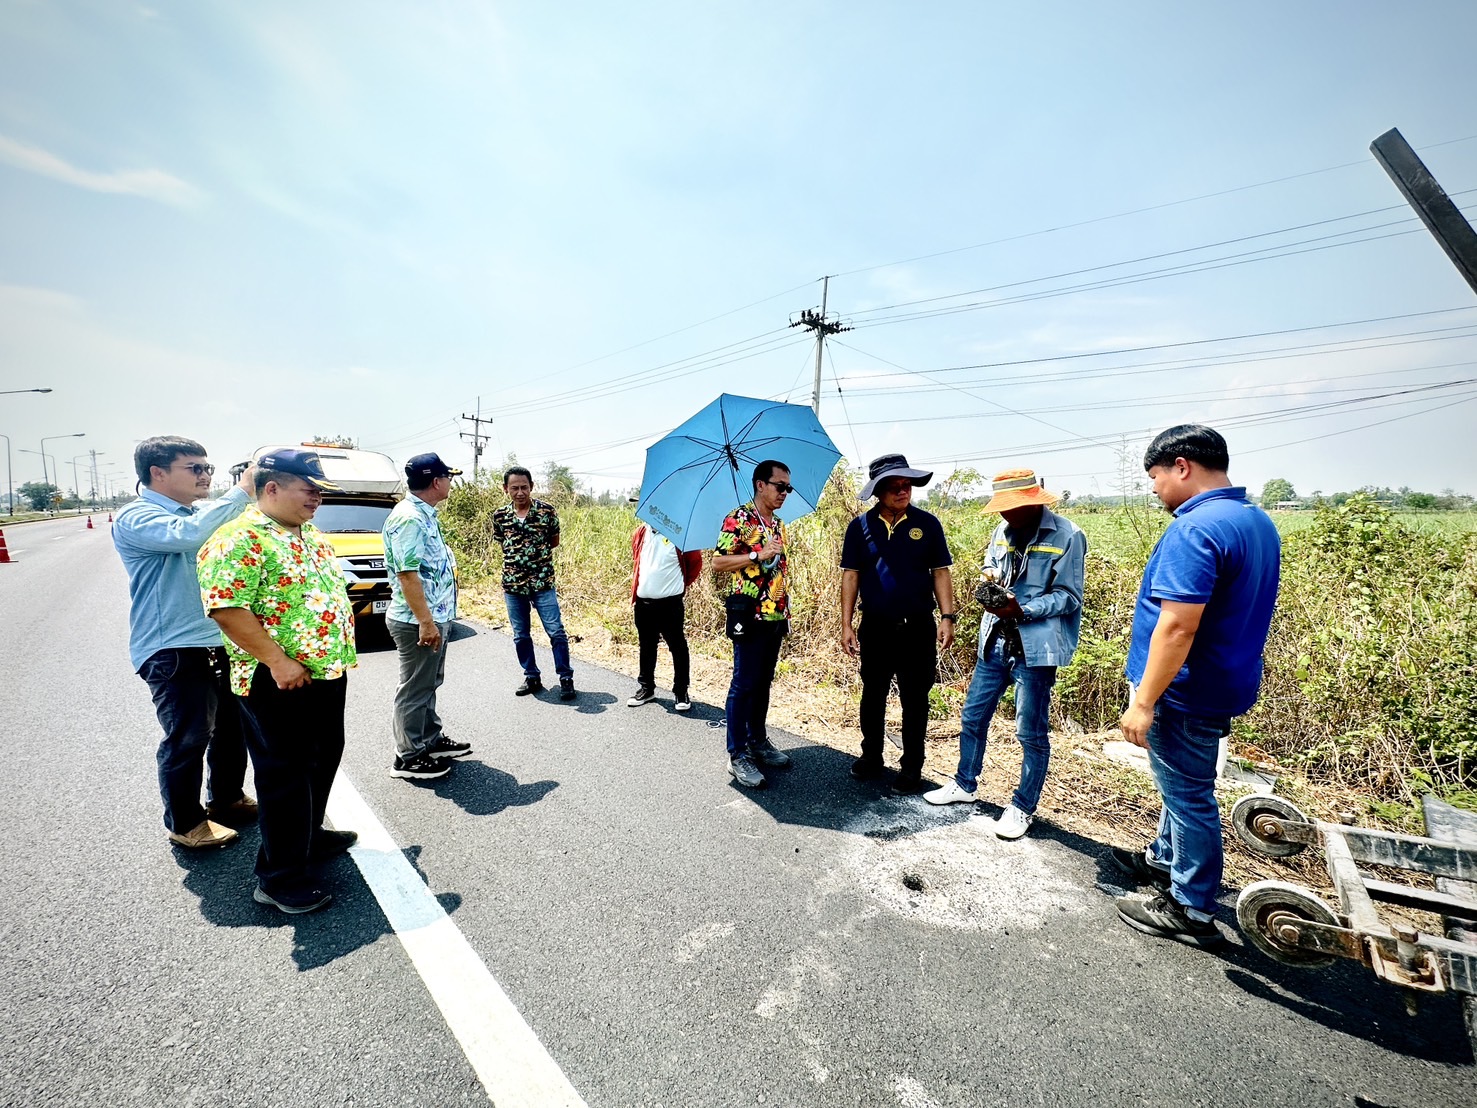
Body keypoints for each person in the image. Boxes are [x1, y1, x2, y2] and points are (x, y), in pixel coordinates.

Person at [1112, 424, 1280, 946]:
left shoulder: (1196, 529)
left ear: (1181, 466)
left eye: (1155, 477)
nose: (1155, 489)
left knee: (1188, 796)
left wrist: (1144, 701)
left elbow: (1177, 626)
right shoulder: (1255, 520)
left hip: (1183, 688)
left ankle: (1191, 907)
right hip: (1222, 678)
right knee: (1180, 783)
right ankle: (1165, 861)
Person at [198, 448, 359, 915]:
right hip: (278, 680)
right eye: (309, 490)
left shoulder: (309, 534)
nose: (317, 499)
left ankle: (307, 838)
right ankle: (279, 877)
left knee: (321, 759)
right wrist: (278, 661)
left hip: (323, 672)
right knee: (285, 775)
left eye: (320, 492)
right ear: (272, 488)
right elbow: (227, 608)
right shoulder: (239, 537)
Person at [924, 468, 1086, 840]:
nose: (1005, 514)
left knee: (1030, 732)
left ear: (1034, 503)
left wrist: (1023, 609)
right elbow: (990, 564)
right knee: (973, 716)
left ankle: (1022, 807)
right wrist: (991, 578)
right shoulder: (1002, 529)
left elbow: (1069, 596)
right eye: (1002, 508)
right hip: (994, 640)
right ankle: (965, 784)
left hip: (1035, 648)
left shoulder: (1068, 535)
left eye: (1013, 507)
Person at [113, 436, 257, 851]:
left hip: (216, 640)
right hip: (172, 647)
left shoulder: (199, 513)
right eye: (194, 468)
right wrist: (242, 491)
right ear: (157, 473)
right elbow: (187, 536)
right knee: (189, 736)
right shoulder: (137, 516)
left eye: (207, 467)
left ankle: (226, 799)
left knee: (231, 730)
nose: (205, 475)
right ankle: (186, 822)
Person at [840, 454, 956, 794]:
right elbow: (851, 575)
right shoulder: (860, 527)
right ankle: (871, 756)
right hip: (875, 627)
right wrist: (846, 624)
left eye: (907, 485)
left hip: (917, 627)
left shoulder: (928, 524)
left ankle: (911, 767)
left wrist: (947, 617)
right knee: (872, 694)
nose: (903, 491)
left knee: (915, 699)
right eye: (894, 487)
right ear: (878, 491)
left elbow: (940, 572)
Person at [384, 453, 470, 782]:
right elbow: (407, 575)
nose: (450, 483)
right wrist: (426, 622)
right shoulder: (410, 518)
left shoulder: (424, 514)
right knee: (414, 689)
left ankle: (429, 740)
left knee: (428, 683)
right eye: (448, 477)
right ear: (436, 481)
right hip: (416, 621)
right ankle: (408, 756)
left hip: (433, 617)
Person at [711, 460, 794, 787]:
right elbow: (718, 562)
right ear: (760, 484)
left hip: (775, 615)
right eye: (780, 486)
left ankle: (758, 741)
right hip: (749, 614)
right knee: (744, 683)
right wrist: (757, 555)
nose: (785, 493)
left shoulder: (778, 524)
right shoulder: (739, 518)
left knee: (763, 682)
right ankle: (737, 753)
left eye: (788, 488)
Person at [492, 467, 575, 701]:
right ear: (506, 489)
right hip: (513, 585)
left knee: (556, 632)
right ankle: (531, 676)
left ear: (532, 487)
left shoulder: (547, 511)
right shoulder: (500, 516)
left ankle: (565, 678)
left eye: (524, 487)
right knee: (520, 635)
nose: (520, 492)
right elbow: (502, 543)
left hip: (542, 583)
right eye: (514, 488)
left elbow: (554, 541)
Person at [627, 521, 703, 711]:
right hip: (643, 603)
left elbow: (694, 565)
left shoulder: (680, 534)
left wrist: (676, 586)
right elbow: (638, 561)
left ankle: (681, 691)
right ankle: (646, 688)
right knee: (646, 646)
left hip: (670, 603)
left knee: (677, 646)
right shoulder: (640, 533)